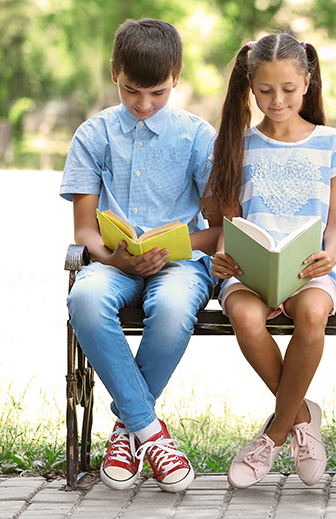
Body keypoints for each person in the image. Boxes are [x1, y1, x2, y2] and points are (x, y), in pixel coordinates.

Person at [60, 18, 218, 493]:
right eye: (133, 92)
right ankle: (151, 432)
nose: (145, 105)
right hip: (114, 260)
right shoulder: (94, 135)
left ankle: (126, 429)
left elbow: (219, 231)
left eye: (158, 93)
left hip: (182, 262)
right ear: (114, 73)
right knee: (84, 300)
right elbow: (86, 230)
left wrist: (177, 250)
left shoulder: (197, 137)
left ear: (177, 76)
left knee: (170, 308)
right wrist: (117, 260)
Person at [204, 33, 336, 489]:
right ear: (250, 86)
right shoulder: (239, 143)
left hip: (308, 270)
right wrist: (222, 257)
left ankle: (273, 434)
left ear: (307, 82)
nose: (277, 100)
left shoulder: (330, 142)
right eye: (266, 90)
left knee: (313, 312)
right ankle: (303, 414)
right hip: (251, 271)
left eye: (288, 89)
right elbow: (229, 222)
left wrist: (330, 255)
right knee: (245, 315)